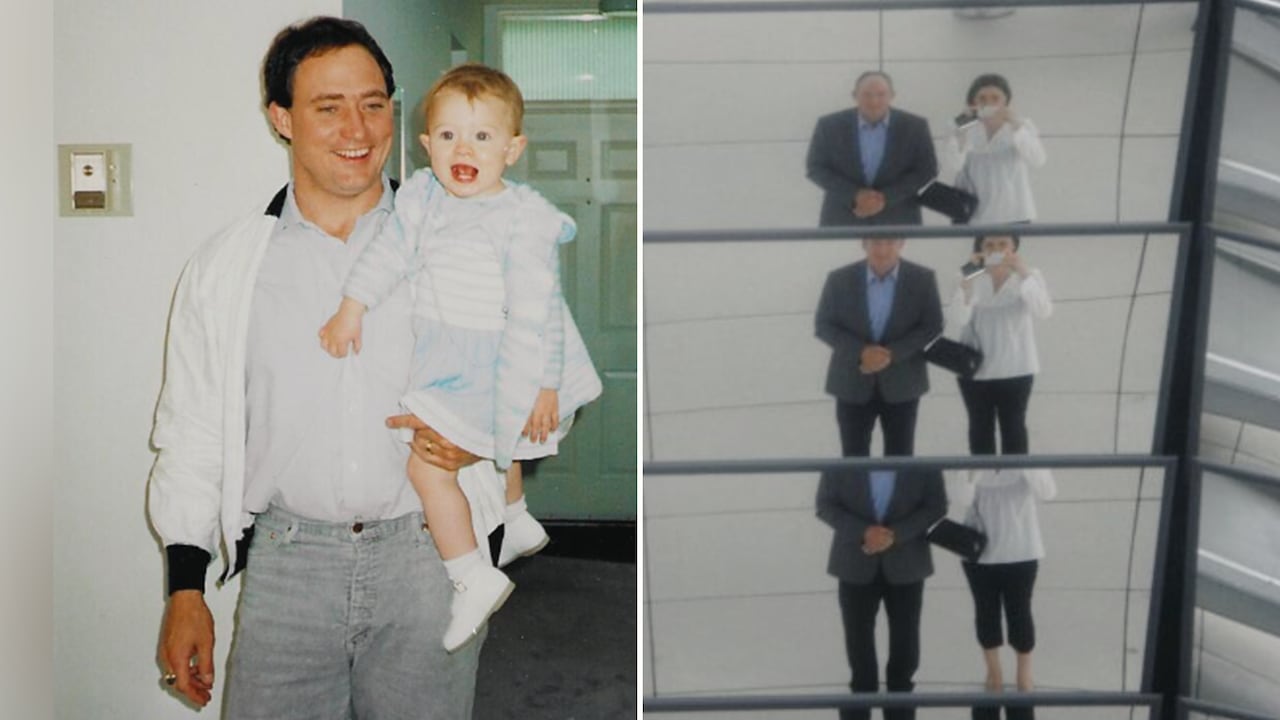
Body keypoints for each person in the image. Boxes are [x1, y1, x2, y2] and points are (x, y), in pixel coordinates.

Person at [147, 17, 490, 716]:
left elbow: (543, 381)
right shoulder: (227, 269)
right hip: (287, 566)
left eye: (372, 103)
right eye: (327, 108)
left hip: (430, 559)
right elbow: (191, 431)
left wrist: (486, 436)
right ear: (282, 118)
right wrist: (186, 588)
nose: (356, 129)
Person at [318, 63, 603, 652]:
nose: (462, 149)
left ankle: (470, 574)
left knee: (428, 467)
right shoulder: (423, 199)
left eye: (482, 136)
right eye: (448, 136)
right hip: (446, 347)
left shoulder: (520, 220)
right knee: (486, 447)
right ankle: (517, 518)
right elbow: (388, 256)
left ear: (513, 149)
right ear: (426, 146)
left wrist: (544, 385)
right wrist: (353, 307)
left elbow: (541, 306)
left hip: (492, 358)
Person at [816, 467, 947, 720]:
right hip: (854, 564)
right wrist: (865, 532)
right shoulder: (844, 462)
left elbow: (936, 506)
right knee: (859, 656)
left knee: (905, 653)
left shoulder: (923, 464)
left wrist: (895, 535)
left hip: (908, 565)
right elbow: (825, 505)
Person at [815, 237, 944, 457]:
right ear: (863, 243)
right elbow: (824, 325)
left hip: (903, 383)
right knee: (853, 460)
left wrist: (891, 355)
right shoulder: (839, 279)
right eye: (875, 242)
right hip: (851, 383)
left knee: (901, 458)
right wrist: (862, 352)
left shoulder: (922, 279)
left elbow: (932, 325)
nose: (882, 250)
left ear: (902, 243)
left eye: (890, 242)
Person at [956, 468, 1057, 720]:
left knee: (1020, 612)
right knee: (985, 611)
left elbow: (1048, 492)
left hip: (1022, 551)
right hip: (979, 554)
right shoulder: (973, 463)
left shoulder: (1027, 463)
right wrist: (973, 471)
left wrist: (1023, 461)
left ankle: (1024, 675)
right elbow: (961, 498)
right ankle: (994, 674)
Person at [949, 234, 1052, 456]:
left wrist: (1023, 272)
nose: (996, 250)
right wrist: (968, 277)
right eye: (989, 245)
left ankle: (1015, 486)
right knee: (979, 430)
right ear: (980, 249)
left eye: (1003, 244)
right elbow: (958, 318)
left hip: (1017, 368)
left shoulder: (1030, 276)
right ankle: (981, 487)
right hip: (975, 370)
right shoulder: (967, 274)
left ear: (1014, 248)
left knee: (1014, 429)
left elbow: (1043, 311)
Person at [807, 71, 938, 226]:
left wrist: (885, 198)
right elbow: (815, 167)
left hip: (898, 218)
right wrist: (855, 195)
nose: (874, 101)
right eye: (867, 95)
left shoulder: (915, 126)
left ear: (892, 95)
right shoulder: (829, 125)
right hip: (843, 218)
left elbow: (927, 169)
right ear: (855, 95)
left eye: (881, 94)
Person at [947, 74, 1046, 224]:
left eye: (995, 98)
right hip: (972, 212)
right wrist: (963, 127)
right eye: (982, 98)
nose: (988, 103)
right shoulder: (960, 125)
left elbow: (1038, 160)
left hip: (1015, 211)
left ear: (1006, 101)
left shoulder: (1021, 125)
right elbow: (954, 164)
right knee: (977, 248)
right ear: (973, 101)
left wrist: (1015, 125)